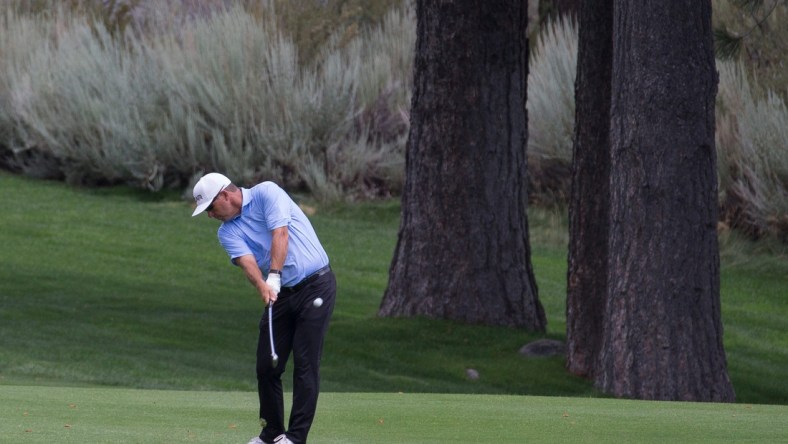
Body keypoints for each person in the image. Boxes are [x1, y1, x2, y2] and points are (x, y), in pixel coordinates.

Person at [191, 172, 336, 444]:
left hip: (316, 285)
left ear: (225, 194)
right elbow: (247, 263)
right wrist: (262, 285)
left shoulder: (266, 193)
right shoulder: (226, 232)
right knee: (266, 367)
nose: (210, 215)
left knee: (305, 364)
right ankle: (271, 432)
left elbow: (280, 233)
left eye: (210, 207)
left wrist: (274, 275)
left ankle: (295, 438)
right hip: (280, 293)